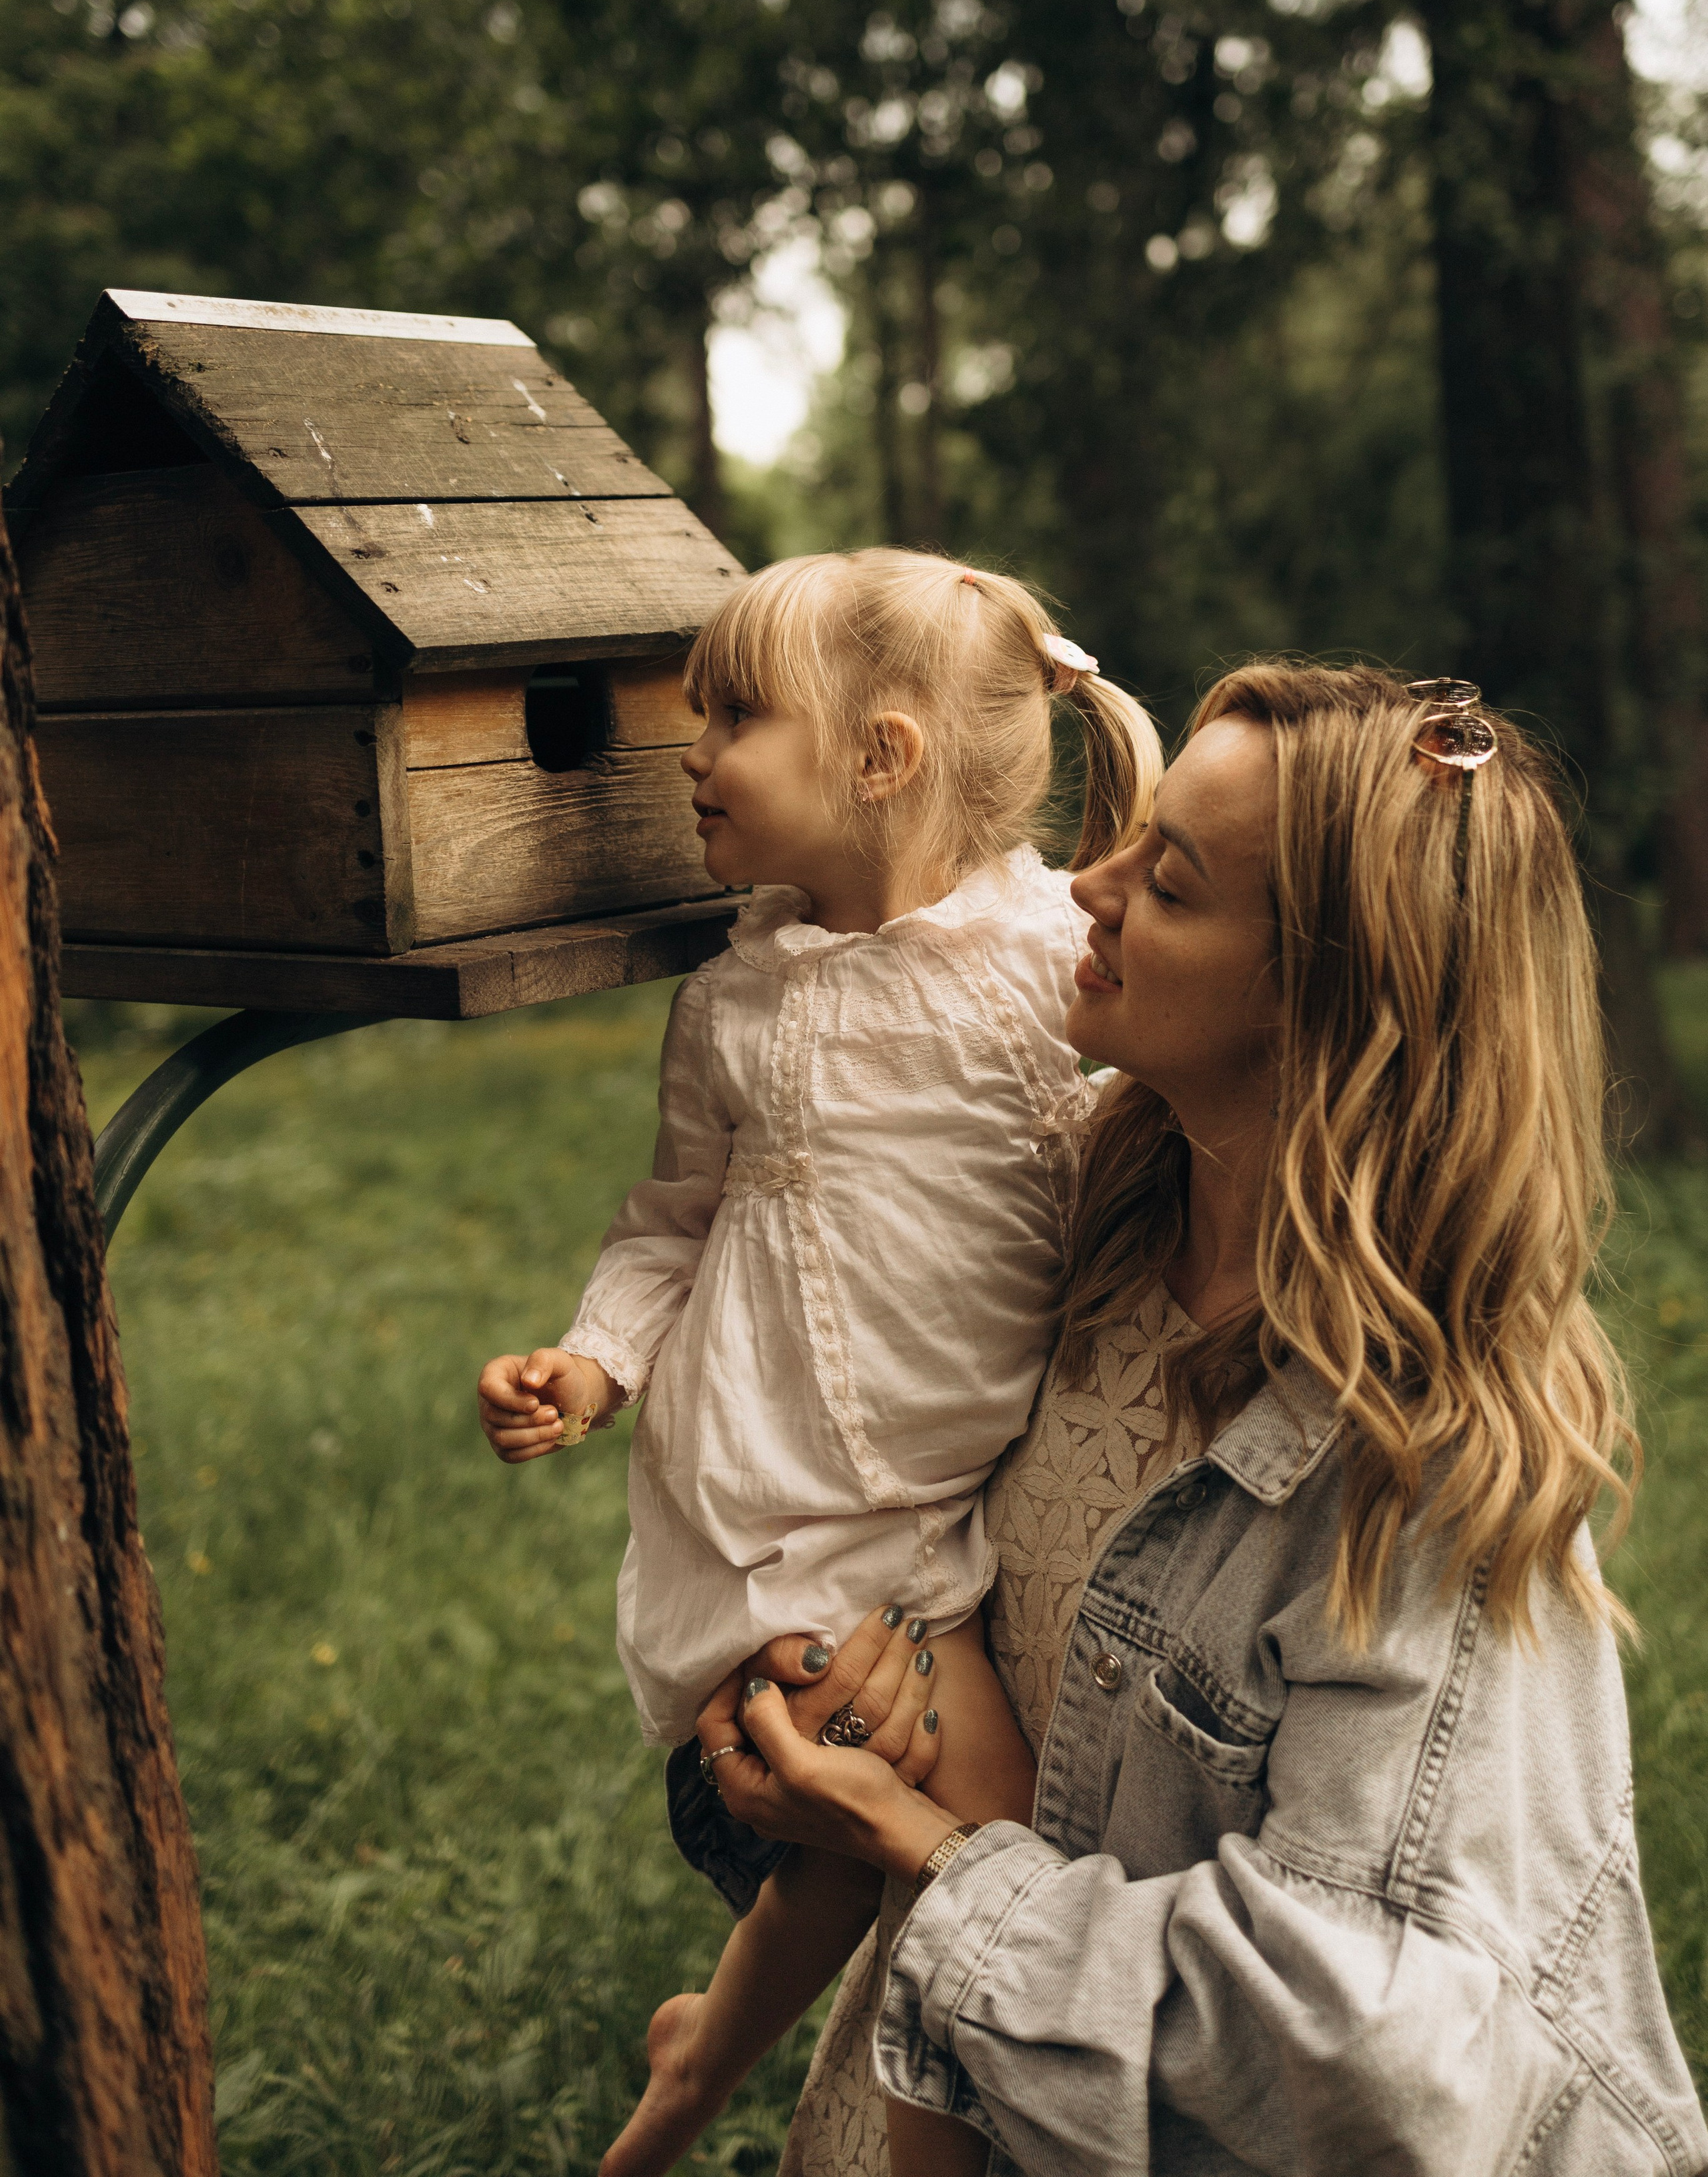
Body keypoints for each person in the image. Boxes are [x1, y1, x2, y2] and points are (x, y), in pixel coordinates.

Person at [695, 661, 1708, 2176]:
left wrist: (928, 1852)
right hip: (936, 2084)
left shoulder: (1419, 1475)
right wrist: (825, 1696)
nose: (1085, 887)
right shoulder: (1066, 1221)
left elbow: (1363, 2056)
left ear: (1326, 1004)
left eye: (1167, 884)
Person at [474, 549, 1164, 2177]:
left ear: (879, 757)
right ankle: (773, 2101)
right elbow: (670, 1222)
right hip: (759, 1488)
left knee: (904, 1852)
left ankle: (699, 2061)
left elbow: (1119, 1165)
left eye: (735, 718)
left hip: (930, 1509)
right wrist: (593, 1364)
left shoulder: (1040, 967)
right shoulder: (735, 999)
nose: (693, 751)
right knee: (967, 1832)